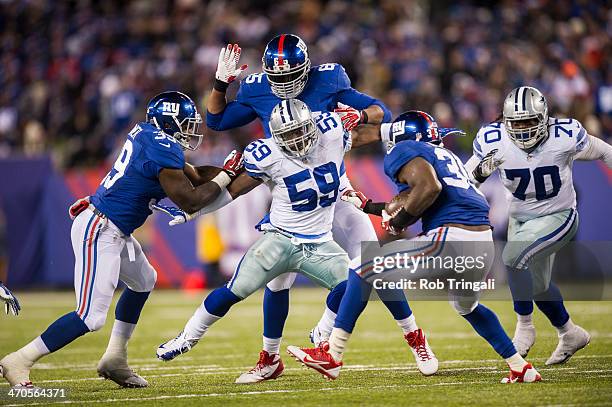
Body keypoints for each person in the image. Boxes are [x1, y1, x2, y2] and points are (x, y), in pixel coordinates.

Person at [204, 35, 427, 383]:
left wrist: (360, 114)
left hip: (335, 190)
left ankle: (413, 338)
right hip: (290, 198)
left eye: (289, 75)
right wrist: (220, 84)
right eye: (275, 77)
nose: (282, 84)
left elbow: (379, 109)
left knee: (372, 264)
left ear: (305, 68)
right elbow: (216, 121)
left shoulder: (329, 78)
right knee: (277, 283)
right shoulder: (257, 89)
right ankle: (269, 358)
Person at [0, 91, 244, 389]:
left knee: (144, 280)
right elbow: (191, 200)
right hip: (100, 228)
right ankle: (19, 360)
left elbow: (194, 174)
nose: (191, 129)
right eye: (185, 123)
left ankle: (115, 358)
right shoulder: (161, 145)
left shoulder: (151, 136)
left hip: (113, 227)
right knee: (90, 316)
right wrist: (226, 177)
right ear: (168, 123)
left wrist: (233, 172)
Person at [288, 111, 542, 384]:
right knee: (467, 306)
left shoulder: (407, 149)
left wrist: (400, 223)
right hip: (481, 243)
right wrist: (369, 206)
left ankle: (332, 355)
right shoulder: (448, 158)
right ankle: (520, 366)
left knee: (363, 264)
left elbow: (428, 188)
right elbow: (415, 196)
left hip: (452, 240)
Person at [156, 99, 397, 378]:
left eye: (300, 131)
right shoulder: (267, 155)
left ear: (312, 126)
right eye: (288, 135)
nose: (296, 140)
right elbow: (234, 191)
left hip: (320, 243)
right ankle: (187, 337)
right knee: (234, 290)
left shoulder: (332, 133)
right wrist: (196, 212)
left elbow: (368, 132)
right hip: (280, 239)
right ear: (275, 136)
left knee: (357, 285)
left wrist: (403, 130)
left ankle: (323, 330)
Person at [466, 86, 612, 365]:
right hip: (519, 218)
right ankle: (569, 333)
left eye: (529, 121)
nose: (522, 129)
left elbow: (605, 152)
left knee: (512, 258)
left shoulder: (565, 135)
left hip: (558, 215)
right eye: (516, 122)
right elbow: (466, 180)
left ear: (544, 118)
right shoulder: (492, 138)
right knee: (538, 285)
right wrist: (479, 172)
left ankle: (524, 327)